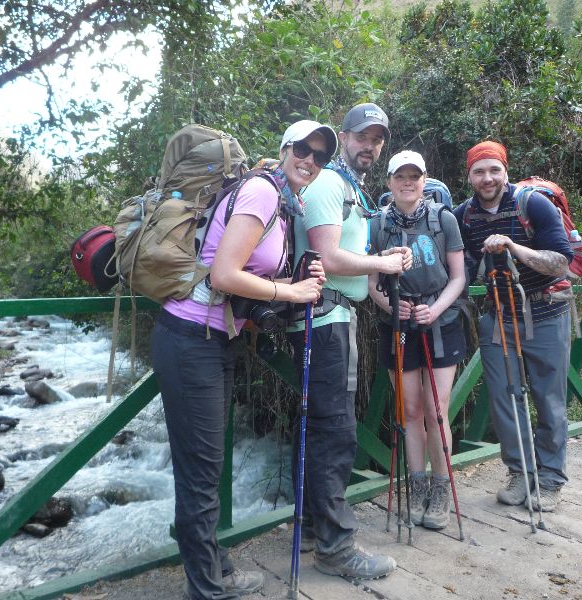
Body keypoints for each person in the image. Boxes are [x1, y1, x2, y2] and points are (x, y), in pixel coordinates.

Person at [151, 120, 336, 600]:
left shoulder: (279, 199)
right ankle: (208, 589)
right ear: (284, 148)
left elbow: (247, 279)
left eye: (320, 156)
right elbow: (224, 274)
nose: (310, 160)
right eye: (303, 149)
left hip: (214, 341)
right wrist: (289, 289)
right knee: (200, 473)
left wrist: (296, 277)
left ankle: (217, 572)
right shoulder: (260, 192)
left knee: (206, 469)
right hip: (191, 339)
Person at [288, 103, 411, 580]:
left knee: (322, 427)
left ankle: (312, 526)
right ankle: (336, 548)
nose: (370, 145)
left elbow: (344, 252)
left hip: (329, 316)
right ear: (344, 136)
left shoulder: (347, 187)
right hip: (324, 319)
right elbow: (328, 257)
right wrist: (382, 265)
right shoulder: (328, 184)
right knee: (334, 431)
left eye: (377, 139)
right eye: (362, 136)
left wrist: (377, 257)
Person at [452, 141, 573, 512]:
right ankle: (521, 473)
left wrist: (514, 248)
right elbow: (457, 267)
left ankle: (550, 481)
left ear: (505, 171)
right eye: (479, 171)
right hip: (498, 316)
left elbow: (560, 263)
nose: (487, 178)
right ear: (469, 175)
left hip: (546, 313)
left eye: (494, 170)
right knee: (505, 399)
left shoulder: (532, 204)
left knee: (549, 399)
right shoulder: (465, 216)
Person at [368, 150, 467, 529]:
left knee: (436, 410)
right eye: (400, 176)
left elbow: (458, 277)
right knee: (408, 412)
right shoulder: (378, 225)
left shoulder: (444, 220)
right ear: (390, 181)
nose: (407, 182)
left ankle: (441, 488)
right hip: (397, 324)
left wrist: (436, 309)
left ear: (424, 179)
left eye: (415, 176)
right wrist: (390, 306)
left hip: (442, 321)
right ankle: (418, 485)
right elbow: (372, 283)